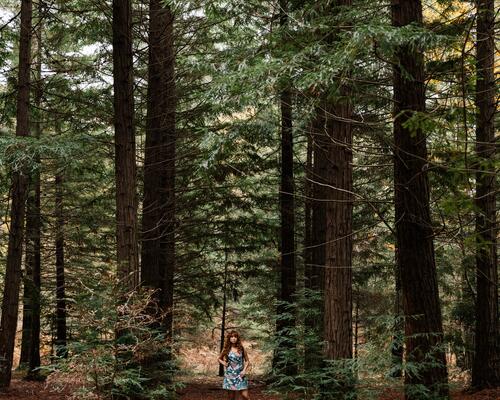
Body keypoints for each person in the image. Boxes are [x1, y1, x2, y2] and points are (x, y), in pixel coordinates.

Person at [218, 330, 251, 399]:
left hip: (241, 374)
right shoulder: (226, 349)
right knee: (231, 398)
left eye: (235, 337)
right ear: (229, 339)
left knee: (245, 396)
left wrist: (244, 370)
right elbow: (219, 359)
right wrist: (223, 363)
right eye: (232, 337)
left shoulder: (241, 348)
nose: (233, 338)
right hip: (230, 375)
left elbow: (247, 361)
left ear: (237, 338)